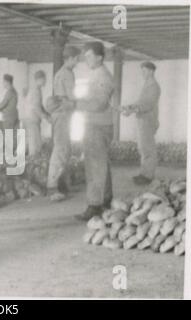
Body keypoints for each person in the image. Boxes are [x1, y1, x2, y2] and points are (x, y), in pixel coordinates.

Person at [74, 42, 115, 221]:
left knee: (94, 165)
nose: (86, 59)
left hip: (98, 125)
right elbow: (93, 99)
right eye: (85, 56)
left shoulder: (103, 76)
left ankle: (94, 206)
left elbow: (100, 104)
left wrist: (75, 104)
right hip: (96, 123)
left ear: (100, 57)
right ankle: (106, 200)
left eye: (89, 56)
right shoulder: (96, 74)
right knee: (101, 163)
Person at [46, 46, 81, 201]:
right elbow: (70, 98)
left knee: (64, 149)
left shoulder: (63, 72)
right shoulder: (66, 74)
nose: (78, 61)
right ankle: (52, 187)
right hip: (62, 113)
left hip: (62, 114)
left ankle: (61, 185)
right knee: (61, 149)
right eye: (76, 58)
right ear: (70, 58)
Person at [118, 61, 161, 185]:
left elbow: (147, 104)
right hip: (143, 120)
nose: (142, 73)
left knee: (147, 148)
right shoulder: (148, 84)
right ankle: (144, 173)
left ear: (152, 71)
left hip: (147, 120)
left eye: (145, 70)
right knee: (143, 147)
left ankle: (148, 176)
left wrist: (130, 110)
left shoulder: (153, 86)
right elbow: (140, 101)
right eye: (142, 70)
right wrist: (129, 107)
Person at [22, 70, 49, 157]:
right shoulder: (35, 90)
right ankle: (32, 164)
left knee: (34, 142)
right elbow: (35, 107)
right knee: (34, 145)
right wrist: (45, 117)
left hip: (30, 118)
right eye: (44, 79)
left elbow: (39, 105)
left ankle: (31, 161)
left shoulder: (37, 89)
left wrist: (46, 113)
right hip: (32, 119)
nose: (45, 81)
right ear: (40, 79)